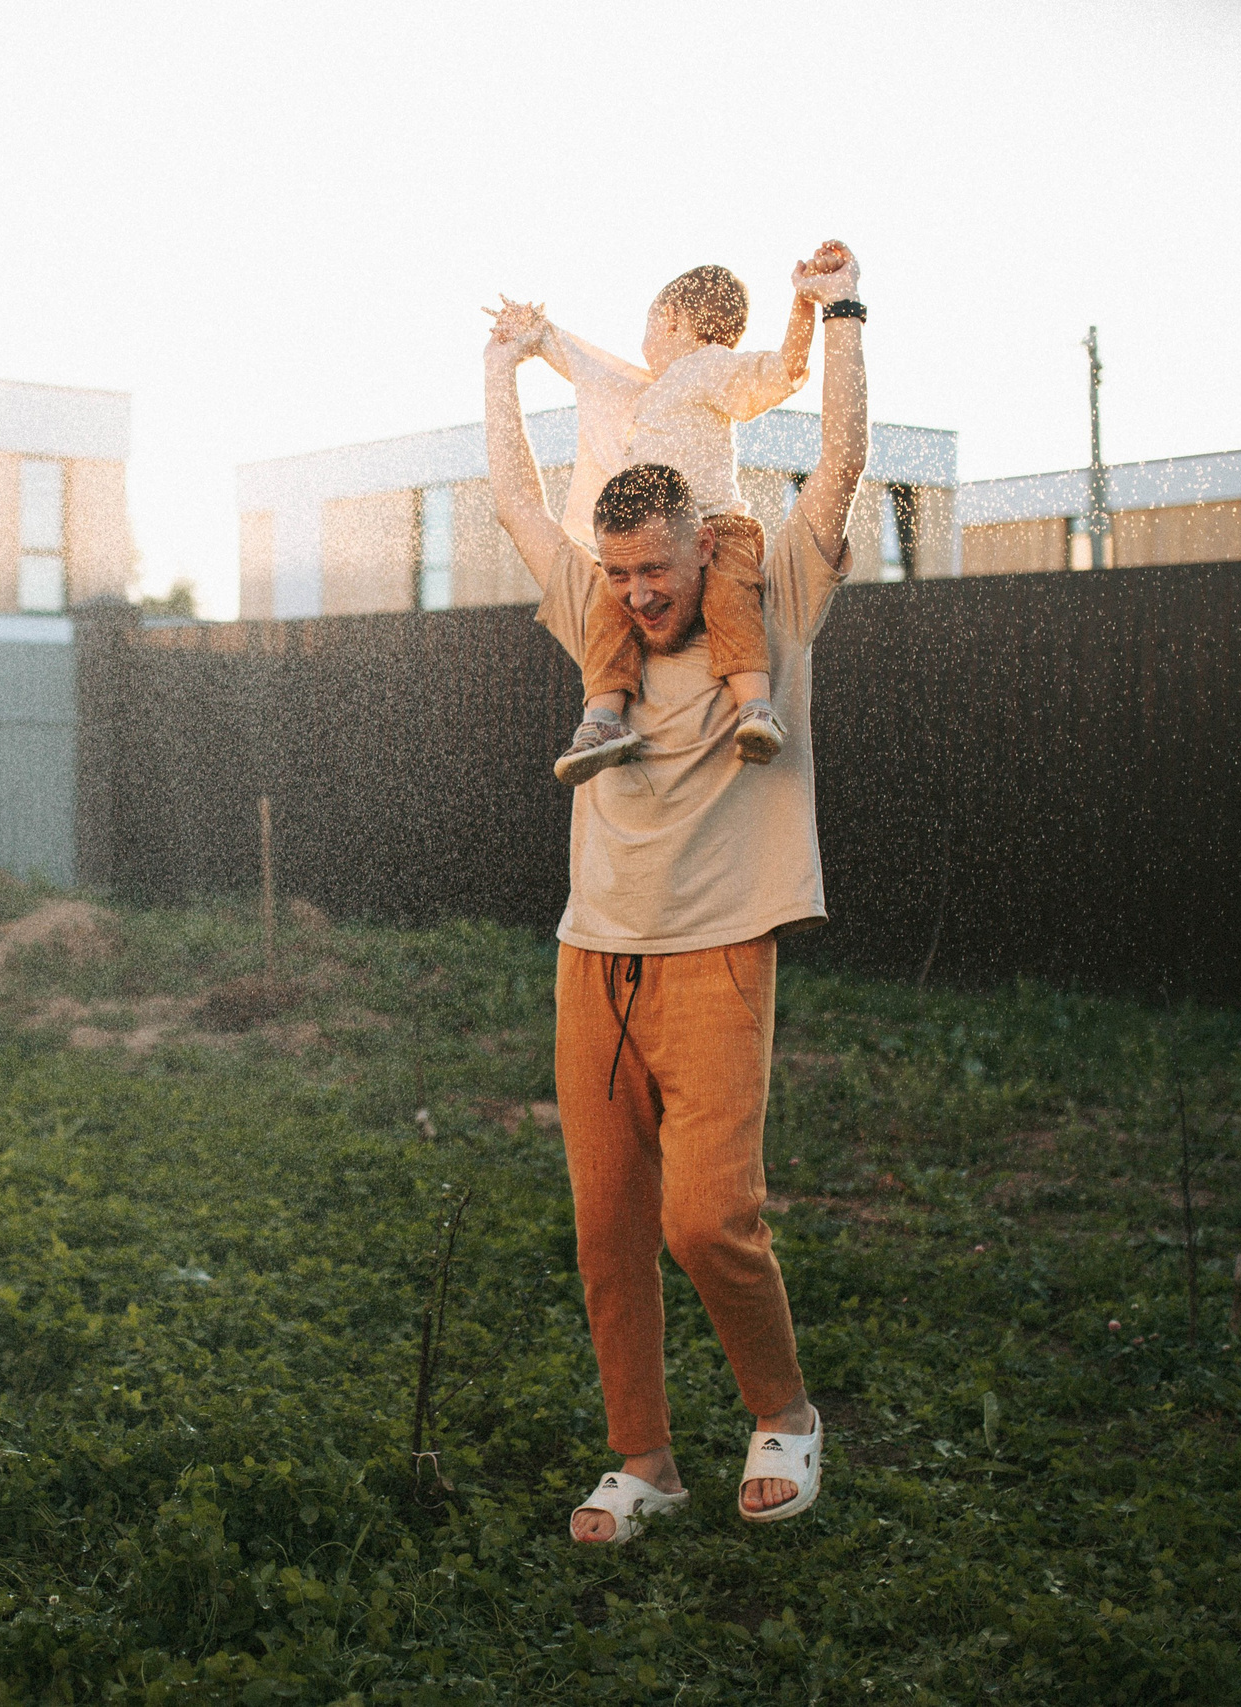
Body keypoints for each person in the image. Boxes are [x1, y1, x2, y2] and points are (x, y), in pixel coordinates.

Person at [481, 243, 870, 1544]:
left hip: (717, 955)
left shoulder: (774, 599)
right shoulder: (600, 615)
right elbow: (515, 501)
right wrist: (502, 365)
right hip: (591, 959)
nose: (642, 593)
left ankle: (784, 1413)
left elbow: (839, 466)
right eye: (623, 573)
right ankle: (642, 1459)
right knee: (607, 1229)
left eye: (659, 568)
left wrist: (842, 312)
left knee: (707, 1219)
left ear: (706, 542)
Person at [487, 255, 836, 785]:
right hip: (658, 536)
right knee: (609, 609)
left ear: (671, 319)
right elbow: (591, 368)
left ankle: (756, 707)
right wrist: (538, 334)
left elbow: (785, 370)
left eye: (649, 326)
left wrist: (803, 303)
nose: (644, 342)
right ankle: (603, 718)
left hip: (719, 526)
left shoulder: (710, 366)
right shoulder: (654, 390)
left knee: (731, 596)